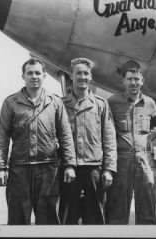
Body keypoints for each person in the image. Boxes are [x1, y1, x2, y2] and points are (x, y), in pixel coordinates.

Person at [0, 58, 76, 225]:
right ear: (23, 76)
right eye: (30, 73)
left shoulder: (55, 102)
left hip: (48, 170)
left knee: (48, 221)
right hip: (19, 170)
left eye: (38, 73)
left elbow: (65, 135)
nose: (34, 76)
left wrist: (70, 165)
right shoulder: (11, 103)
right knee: (18, 220)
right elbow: (1, 136)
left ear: (44, 76)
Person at [59, 57, 117, 224]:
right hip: (69, 169)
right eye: (78, 73)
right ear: (72, 76)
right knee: (67, 217)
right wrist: (66, 164)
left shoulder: (101, 104)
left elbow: (109, 138)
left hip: (94, 169)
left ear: (91, 77)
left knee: (95, 217)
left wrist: (109, 169)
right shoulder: (61, 105)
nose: (82, 77)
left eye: (86, 73)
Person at [106, 60, 156, 224]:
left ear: (142, 81)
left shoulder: (150, 103)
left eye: (137, 79)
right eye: (130, 79)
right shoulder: (113, 102)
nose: (133, 82)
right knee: (116, 210)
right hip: (121, 161)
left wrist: (150, 137)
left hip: (145, 161)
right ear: (123, 81)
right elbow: (107, 130)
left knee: (147, 208)